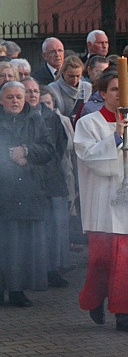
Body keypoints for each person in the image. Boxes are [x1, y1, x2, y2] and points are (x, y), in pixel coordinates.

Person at [73, 71, 128, 334]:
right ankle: (96, 299)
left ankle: (126, 317)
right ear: (102, 94)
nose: (123, 94)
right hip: (104, 205)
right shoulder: (89, 123)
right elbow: (90, 159)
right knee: (103, 261)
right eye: (115, 89)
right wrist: (115, 137)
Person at [0, 81, 54, 307]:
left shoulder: (36, 119)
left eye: (18, 97)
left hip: (29, 188)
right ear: (1, 100)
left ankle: (17, 290)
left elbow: (50, 149)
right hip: (4, 190)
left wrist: (28, 151)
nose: (14, 101)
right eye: (10, 97)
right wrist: (10, 154)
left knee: (21, 244)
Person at [22, 77, 72, 288]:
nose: (32, 95)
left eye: (35, 91)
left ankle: (53, 269)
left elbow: (60, 146)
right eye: (28, 91)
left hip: (51, 179)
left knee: (54, 227)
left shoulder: (51, 116)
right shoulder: (19, 116)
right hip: (28, 180)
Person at [49, 55, 92, 119]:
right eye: (71, 76)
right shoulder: (52, 88)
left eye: (78, 76)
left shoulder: (87, 87)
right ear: (63, 72)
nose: (75, 80)